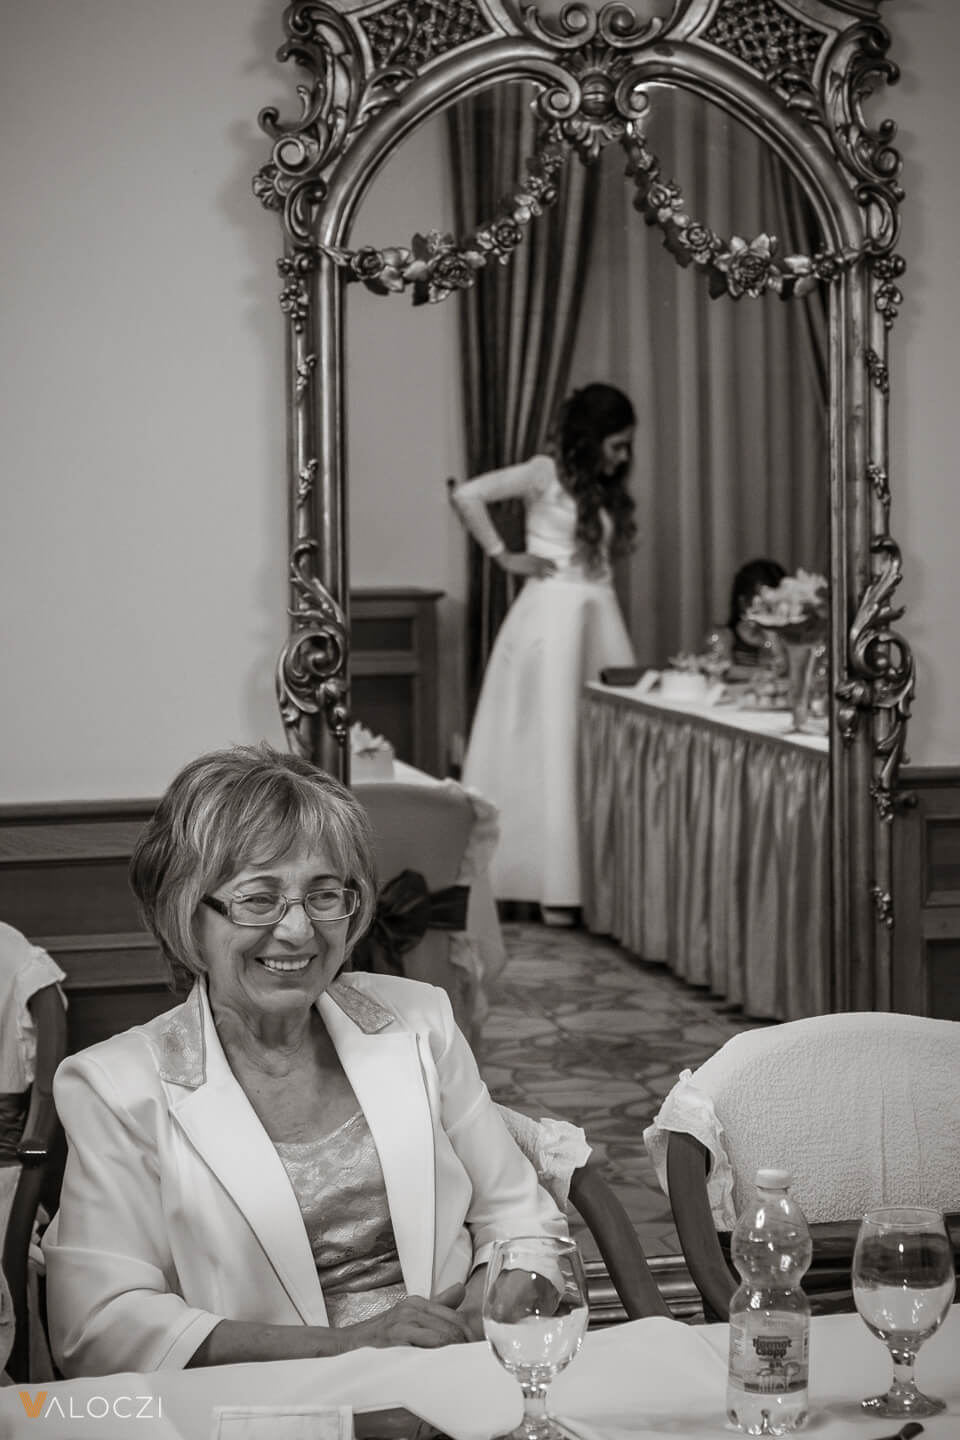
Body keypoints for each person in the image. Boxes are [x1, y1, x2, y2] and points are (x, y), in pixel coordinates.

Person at [43, 744, 566, 1378]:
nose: (298, 930)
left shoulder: (420, 1020)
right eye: (257, 899)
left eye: (324, 895)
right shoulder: (115, 1088)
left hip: (455, 1382)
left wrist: (479, 1322)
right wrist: (347, 1348)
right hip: (263, 1407)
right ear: (185, 914)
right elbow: (99, 1327)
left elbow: (522, 1219)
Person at [450, 383, 637, 923]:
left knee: (594, 747)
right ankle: (544, 883)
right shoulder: (543, 472)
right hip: (550, 622)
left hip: (597, 616)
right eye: (617, 444)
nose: (623, 456)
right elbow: (468, 494)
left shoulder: (599, 487)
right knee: (548, 745)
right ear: (591, 438)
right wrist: (504, 556)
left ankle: (594, 885)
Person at [724, 557, 787, 668]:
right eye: (766, 603)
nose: (773, 608)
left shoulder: (787, 639)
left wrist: (770, 632)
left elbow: (783, 667)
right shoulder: (727, 636)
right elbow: (724, 669)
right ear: (744, 602)